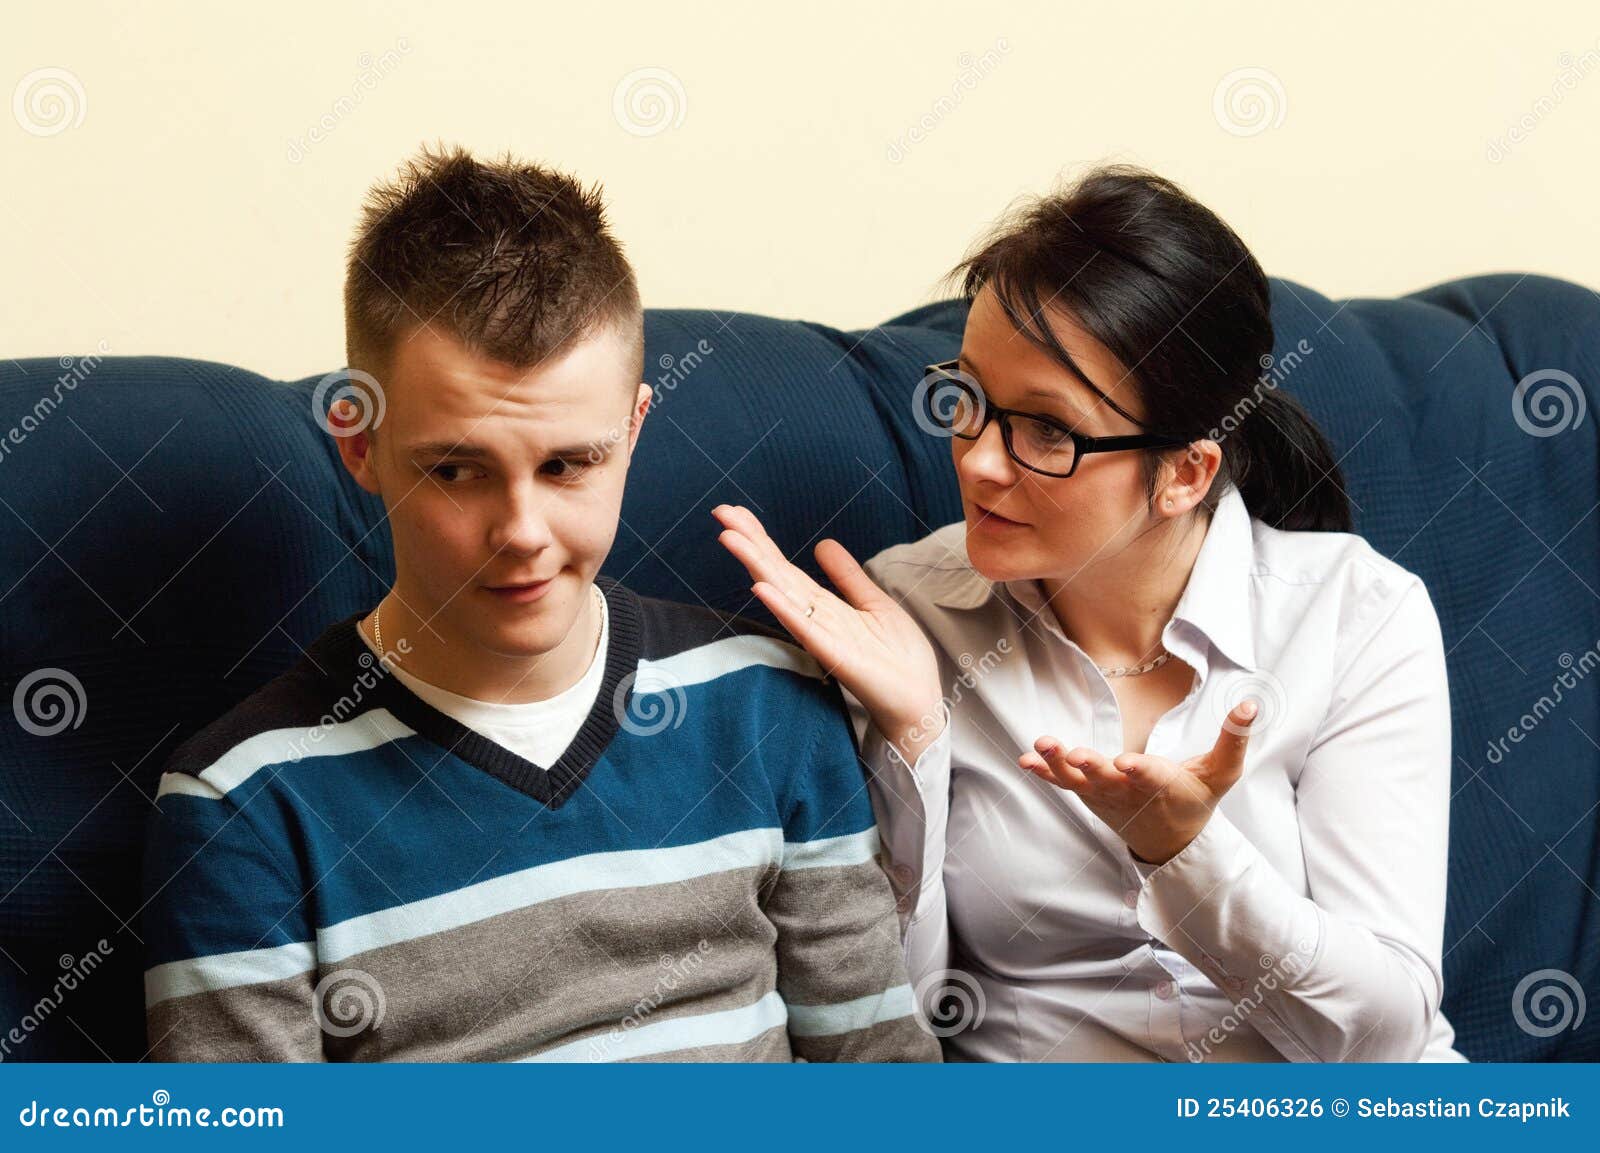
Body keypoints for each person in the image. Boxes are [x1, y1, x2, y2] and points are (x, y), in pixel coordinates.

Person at [140, 144, 939, 1063]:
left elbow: (880, 1074)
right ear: (358, 444)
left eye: (567, 464)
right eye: (456, 470)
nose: (522, 530)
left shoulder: (769, 697)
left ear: (634, 428)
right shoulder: (244, 798)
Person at [713, 166, 1462, 1062]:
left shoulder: (1358, 617)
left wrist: (1183, 851)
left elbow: (1387, 1037)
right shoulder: (902, 620)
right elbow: (890, 1037)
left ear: (1186, 472)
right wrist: (914, 735)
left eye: (1047, 432)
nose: (981, 462)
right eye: (969, 399)